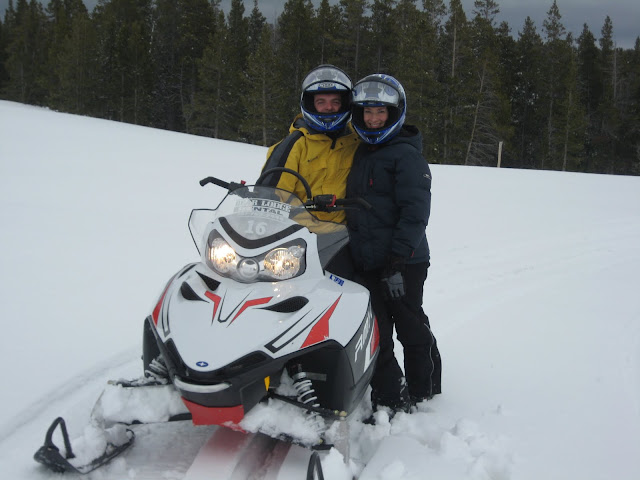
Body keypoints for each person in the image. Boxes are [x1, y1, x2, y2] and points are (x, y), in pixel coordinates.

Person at [346, 74, 442, 417]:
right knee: (377, 331)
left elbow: (415, 212)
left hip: (406, 260)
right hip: (367, 258)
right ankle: (390, 393)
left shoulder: (406, 155)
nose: (373, 119)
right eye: (367, 112)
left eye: (380, 112)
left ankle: (424, 390)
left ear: (394, 113)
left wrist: (398, 259)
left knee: (410, 325)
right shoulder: (362, 151)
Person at [260, 64, 360, 226]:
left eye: (335, 102)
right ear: (310, 103)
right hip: (299, 233)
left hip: (344, 233)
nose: (329, 107)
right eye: (321, 102)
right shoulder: (293, 146)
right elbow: (268, 196)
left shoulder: (355, 142)